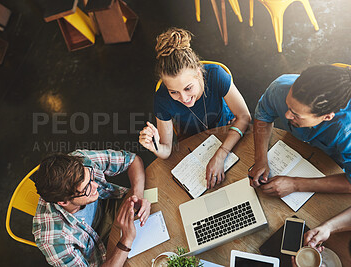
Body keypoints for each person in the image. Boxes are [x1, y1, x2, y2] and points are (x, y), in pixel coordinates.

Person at [139, 28, 251, 189]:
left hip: (227, 128)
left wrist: (220, 155)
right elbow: (167, 150)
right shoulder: (162, 99)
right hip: (192, 138)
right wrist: (154, 146)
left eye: (188, 88)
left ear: (198, 73)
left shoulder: (216, 75)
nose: (184, 99)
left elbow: (244, 117)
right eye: (174, 92)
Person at [32, 149, 151, 267]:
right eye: (86, 189)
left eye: (91, 178)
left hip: (111, 206)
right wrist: (126, 240)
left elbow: (132, 160)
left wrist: (137, 195)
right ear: (63, 202)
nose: (95, 186)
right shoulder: (54, 241)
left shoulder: (81, 160)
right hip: (100, 254)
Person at [249, 65, 351, 197]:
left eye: (295, 115)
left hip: (333, 169)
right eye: (288, 105)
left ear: (327, 117)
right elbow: (263, 115)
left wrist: (295, 184)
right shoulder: (280, 87)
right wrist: (260, 159)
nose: (286, 116)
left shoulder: (347, 131)